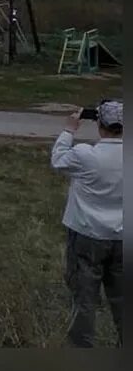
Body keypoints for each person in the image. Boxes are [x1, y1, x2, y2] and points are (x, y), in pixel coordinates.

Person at [50, 99, 123, 347]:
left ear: (100, 124)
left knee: (84, 300)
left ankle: (83, 355)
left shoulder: (85, 155)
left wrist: (69, 129)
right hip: (123, 238)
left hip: (86, 234)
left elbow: (58, 159)